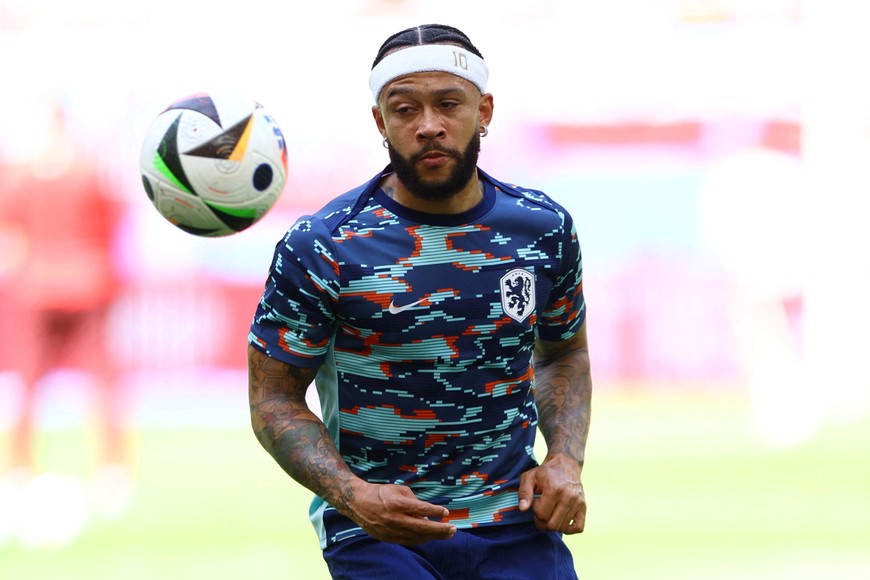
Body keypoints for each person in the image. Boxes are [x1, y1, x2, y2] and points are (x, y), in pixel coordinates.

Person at [247, 24, 592, 578]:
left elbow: (563, 354)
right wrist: (353, 495)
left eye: (448, 104)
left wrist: (565, 460)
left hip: (516, 525)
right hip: (378, 535)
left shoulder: (542, 230)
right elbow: (273, 399)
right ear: (381, 122)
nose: (428, 126)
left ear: (484, 110)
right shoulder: (324, 244)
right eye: (405, 110)